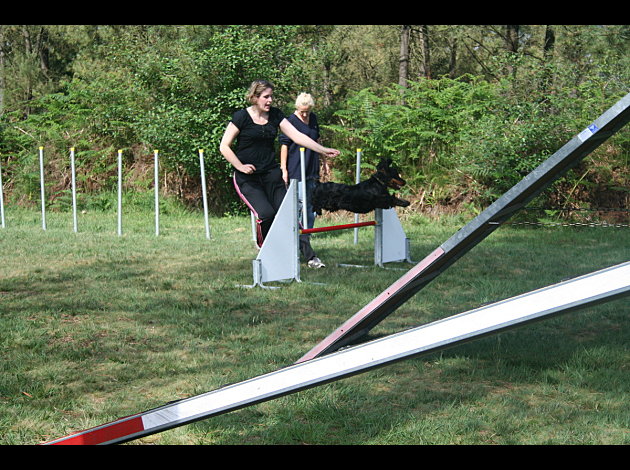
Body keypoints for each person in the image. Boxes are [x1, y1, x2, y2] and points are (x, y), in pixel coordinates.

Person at [220, 80, 340, 268]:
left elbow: (297, 136)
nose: (270, 100)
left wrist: (323, 150)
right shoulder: (241, 117)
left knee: (289, 215)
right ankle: (266, 252)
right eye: (266, 97)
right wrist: (240, 166)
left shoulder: (275, 115)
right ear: (255, 97)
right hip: (248, 179)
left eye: (271, 96)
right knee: (266, 214)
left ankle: (310, 257)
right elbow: (224, 146)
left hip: (271, 175)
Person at [279, 92, 327, 231]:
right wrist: (284, 169)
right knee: (300, 202)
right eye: (302, 112)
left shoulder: (313, 118)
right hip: (296, 168)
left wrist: (324, 161)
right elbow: (284, 146)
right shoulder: (290, 121)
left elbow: (317, 140)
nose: (305, 115)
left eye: (308, 111)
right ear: (297, 108)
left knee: (312, 203)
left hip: (312, 167)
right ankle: (295, 232)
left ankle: (307, 234)